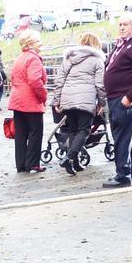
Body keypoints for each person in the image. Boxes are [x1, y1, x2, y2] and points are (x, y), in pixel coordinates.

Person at [102, 13, 132, 187]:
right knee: (122, 136)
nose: (122, 27)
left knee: (122, 137)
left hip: (125, 97)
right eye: (120, 24)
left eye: (126, 24)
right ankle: (127, 171)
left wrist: (130, 97)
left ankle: (122, 175)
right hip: (115, 96)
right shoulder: (124, 44)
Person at [49, 32, 105, 176]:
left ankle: (75, 162)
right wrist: (101, 102)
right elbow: (100, 85)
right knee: (84, 130)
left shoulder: (69, 58)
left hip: (68, 98)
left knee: (73, 130)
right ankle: (69, 157)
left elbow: (59, 80)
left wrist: (57, 100)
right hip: (86, 98)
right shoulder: (97, 60)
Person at [8, 30, 48, 173]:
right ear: (30, 44)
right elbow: (34, 80)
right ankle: (32, 163)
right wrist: (43, 96)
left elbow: (12, 78)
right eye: (38, 41)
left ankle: (21, 164)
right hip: (30, 101)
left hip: (17, 100)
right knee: (35, 133)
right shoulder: (34, 59)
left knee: (21, 134)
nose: (40, 43)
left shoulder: (20, 58)